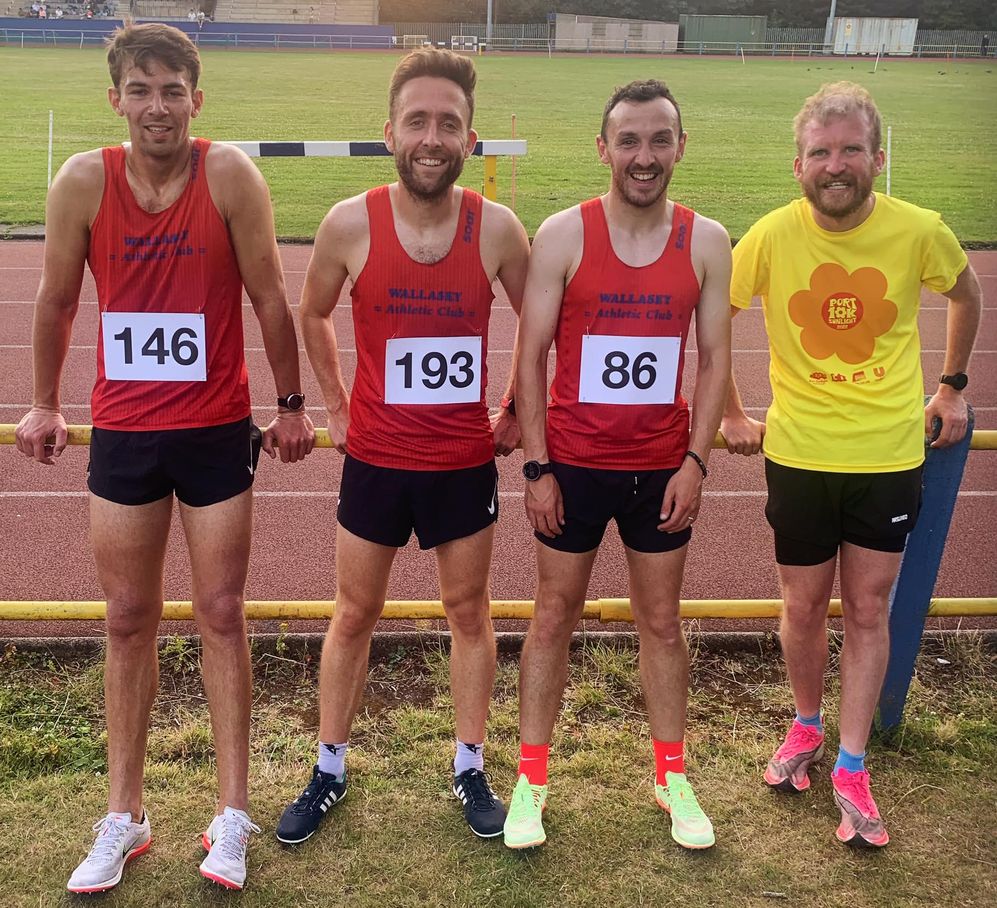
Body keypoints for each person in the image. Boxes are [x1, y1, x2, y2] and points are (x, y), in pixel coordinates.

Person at [14, 23, 315, 892]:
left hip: (217, 429)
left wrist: (291, 408)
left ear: (197, 97)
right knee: (125, 618)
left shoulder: (227, 175)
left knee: (221, 610)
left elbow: (269, 296)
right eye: (140, 90)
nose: (157, 106)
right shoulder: (84, 181)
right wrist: (42, 403)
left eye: (172, 90)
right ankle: (125, 815)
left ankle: (230, 814)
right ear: (116, 99)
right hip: (124, 434)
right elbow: (56, 299)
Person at [275, 47, 529, 845]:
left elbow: (540, 321)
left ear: (469, 137)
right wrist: (336, 404)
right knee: (354, 613)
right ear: (389, 130)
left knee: (468, 611)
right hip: (377, 460)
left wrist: (519, 402)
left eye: (447, 123)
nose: (431, 136)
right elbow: (310, 312)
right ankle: (328, 767)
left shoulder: (496, 229)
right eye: (417, 120)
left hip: (462, 461)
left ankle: (467, 764)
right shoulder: (350, 222)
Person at [720, 82, 982, 848]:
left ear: (877, 156)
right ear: (797, 163)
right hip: (797, 455)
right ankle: (803, 728)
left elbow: (964, 294)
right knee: (801, 608)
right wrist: (732, 412)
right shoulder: (769, 235)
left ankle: (851, 761)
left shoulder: (918, 230)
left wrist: (952, 387)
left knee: (867, 611)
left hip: (887, 458)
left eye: (849, 150)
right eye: (820, 152)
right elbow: (714, 318)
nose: (835, 165)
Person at [503, 79, 732, 851]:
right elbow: (530, 356)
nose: (644, 156)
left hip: (660, 470)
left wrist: (696, 461)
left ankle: (671, 774)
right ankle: (530, 779)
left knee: (661, 623)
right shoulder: (564, 234)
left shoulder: (705, 240)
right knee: (551, 618)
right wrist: (537, 470)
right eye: (628, 141)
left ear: (679, 147)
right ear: (602, 149)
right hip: (571, 467)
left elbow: (712, 362)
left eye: (658, 140)